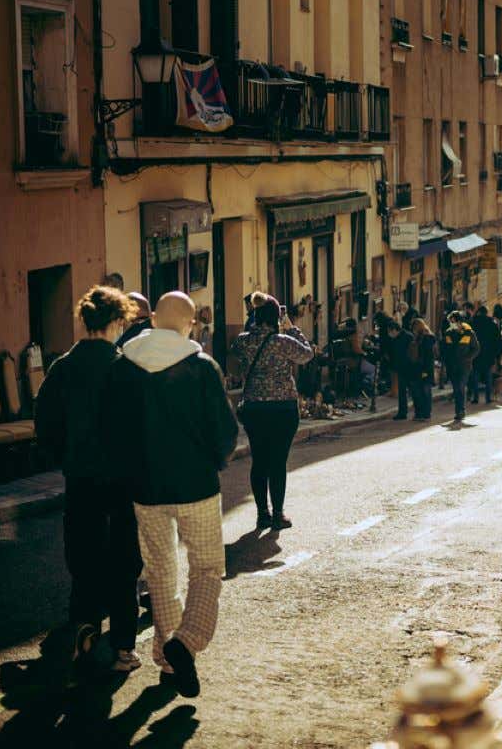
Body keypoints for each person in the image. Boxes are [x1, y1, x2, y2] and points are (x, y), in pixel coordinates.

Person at [103, 291, 239, 697]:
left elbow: (113, 431)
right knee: (207, 569)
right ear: (189, 323)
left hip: (145, 489)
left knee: (160, 573)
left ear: (155, 319)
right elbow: (224, 432)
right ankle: (187, 641)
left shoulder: (123, 367)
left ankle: (167, 661)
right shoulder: (201, 367)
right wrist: (217, 460)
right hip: (196, 485)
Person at [36, 286, 143, 674]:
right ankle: (122, 650)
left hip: (80, 477)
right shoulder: (126, 367)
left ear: (85, 321)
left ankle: (84, 635)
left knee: (83, 558)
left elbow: (44, 423)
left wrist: (65, 457)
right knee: (124, 561)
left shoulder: (62, 367)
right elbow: (141, 426)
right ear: (116, 322)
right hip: (123, 480)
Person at [230, 294, 314, 530]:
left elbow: (234, 361)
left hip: (255, 408)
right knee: (278, 461)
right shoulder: (282, 341)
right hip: (283, 408)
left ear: (256, 317)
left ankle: (261, 514)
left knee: (259, 461)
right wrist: (292, 328)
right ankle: (278, 514)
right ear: (276, 317)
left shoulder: (242, 341)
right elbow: (307, 354)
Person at [441, 311, 480, 420]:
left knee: (460, 386)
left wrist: (467, 358)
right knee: (456, 387)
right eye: (450, 321)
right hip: (451, 365)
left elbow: (476, 348)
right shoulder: (448, 333)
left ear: (459, 321)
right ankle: (459, 410)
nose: (451, 323)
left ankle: (460, 411)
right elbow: (443, 349)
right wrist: (444, 361)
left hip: (464, 366)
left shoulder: (469, 333)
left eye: (453, 321)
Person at [469, 306, 500, 405]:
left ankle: (475, 397)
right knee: (488, 376)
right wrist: (496, 353)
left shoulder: (472, 323)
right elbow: (497, 340)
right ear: (486, 313)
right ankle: (488, 398)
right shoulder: (492, 323)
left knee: (475, 376)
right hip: (489, 353)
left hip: (475, 353)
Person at [385, 320, 414, 420]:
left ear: (394, 329)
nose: (389, 334)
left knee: (414, 390)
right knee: (402, 391)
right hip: (400, 368)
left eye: (389, 331)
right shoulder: (395, 338)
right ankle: (402, 412)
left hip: (409, 367)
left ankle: (420, 411)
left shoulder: (408, 336)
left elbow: (412, 353)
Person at [409, 318, 437, 420]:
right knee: (417, 392)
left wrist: (425, 371)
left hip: (425, 369)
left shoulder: (427, 339)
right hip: (417, 369)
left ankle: (425, 413)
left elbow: (429, 356)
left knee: (425, 392)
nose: (413, 330)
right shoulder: (416, 338)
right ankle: (419, 413)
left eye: (414, 328)